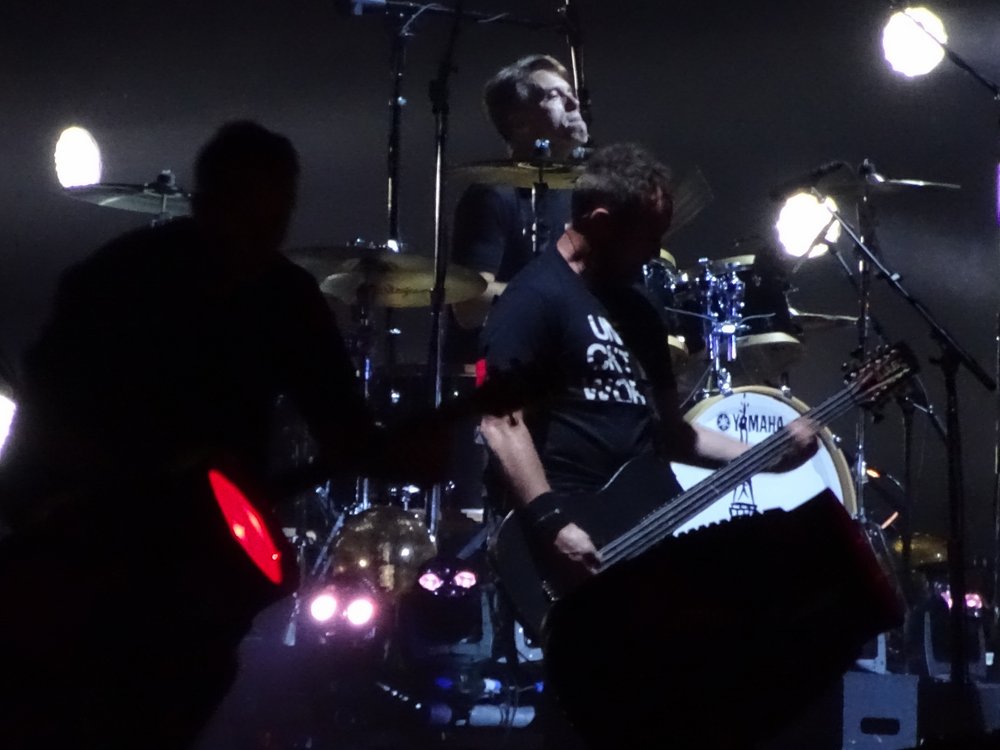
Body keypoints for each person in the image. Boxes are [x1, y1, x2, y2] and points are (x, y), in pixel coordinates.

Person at [0, 121, 444, 749]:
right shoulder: (121, 282)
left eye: (275, 217)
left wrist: (408, 454)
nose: (261, 234)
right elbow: (46, 418)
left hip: (183, 565)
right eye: (248, 212)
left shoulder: (277, 294)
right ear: (208, 202)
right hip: (98, 543)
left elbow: (342, 430)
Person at [478, 143, 819, 747]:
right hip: (568, 528)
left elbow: (672, 432)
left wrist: (768, 456)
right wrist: (554, 525)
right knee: (589, 706)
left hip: (643, 527)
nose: (655, 248)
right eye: (648, 234)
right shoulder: (534, 297)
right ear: (599, 221)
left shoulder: (639, 310)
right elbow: (501, 423)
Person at [447, 54, 590, 360]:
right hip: (502, 367)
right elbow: (468, 306)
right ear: (519, 123)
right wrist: (557, 296)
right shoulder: (492, 195)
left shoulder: (583, 194)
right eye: (555, 95)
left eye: (572, 94)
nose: (573, 103)